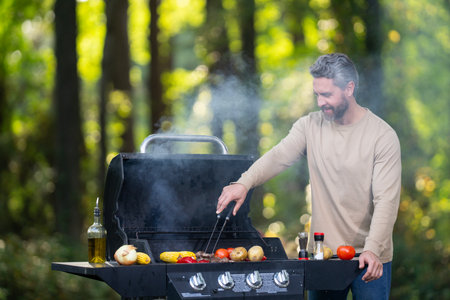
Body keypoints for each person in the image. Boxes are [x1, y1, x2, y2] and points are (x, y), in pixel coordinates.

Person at [216, 53, 401, 300]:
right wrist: (244, 182)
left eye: (327, 94)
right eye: (317, 94)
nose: (320, 102)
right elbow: (278, 156)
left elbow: (386, 201)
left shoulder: (382, 136)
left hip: (370, 257)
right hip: (322, 256)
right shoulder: (309, 126)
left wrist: (374, 249)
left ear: (349, 88)